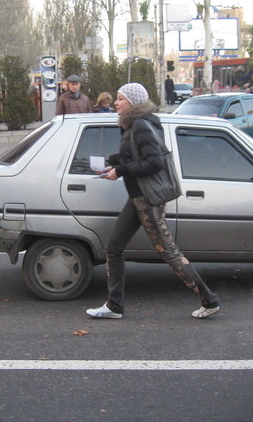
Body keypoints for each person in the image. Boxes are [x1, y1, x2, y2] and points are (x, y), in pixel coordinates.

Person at [87, 82, 221, 320]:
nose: (116, 102)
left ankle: (210, 300)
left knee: (169, 252)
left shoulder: (140, 125)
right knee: (114, 247)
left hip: (147, 199)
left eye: (120, 98)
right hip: (137, 198)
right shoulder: (133, 124)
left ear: (133, 103)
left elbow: (154, 163)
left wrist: (120, 170)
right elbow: (136, 157)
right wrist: (117, 165)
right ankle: (114, 306)